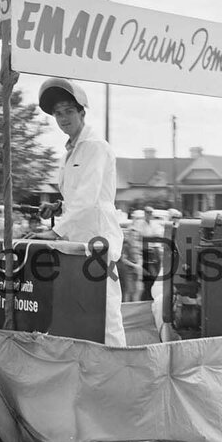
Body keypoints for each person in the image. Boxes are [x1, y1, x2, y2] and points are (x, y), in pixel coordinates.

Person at [31, 77, 126, 346]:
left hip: (97, 239)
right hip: (76, 240)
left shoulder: (94, 146)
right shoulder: (71, 149)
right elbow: (77, 195)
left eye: (69, 111)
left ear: (82, 111)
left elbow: (88, 198)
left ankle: (120, 367)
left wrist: (54, 230)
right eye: (58, 114)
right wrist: (59, 206)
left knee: (105, 311)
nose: (63, 118)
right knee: (78, 309)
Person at [116, 226, 144, 302]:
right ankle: (126, 307)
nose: (135, 237)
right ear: (130, 236)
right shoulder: (126, 246)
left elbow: (140, 256)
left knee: (137, 290)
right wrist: (134, 265)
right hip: (128, 271)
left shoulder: (137, 246)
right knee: (129, 290)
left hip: (136, 271)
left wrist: (139, 265)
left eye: (136, 236)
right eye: (133, 235)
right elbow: (123, 259)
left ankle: (135, 307)